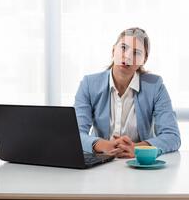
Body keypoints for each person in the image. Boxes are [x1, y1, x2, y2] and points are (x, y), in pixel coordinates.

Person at [74, 27, 181, 158]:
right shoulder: (89, 84)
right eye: (123, 48)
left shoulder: (155, 86)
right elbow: (75, 134)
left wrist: (136, 148)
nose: (128, 56)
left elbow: (172, 136)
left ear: (144, 60)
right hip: (100, 161)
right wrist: (103, 145)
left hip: (138, 163)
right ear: (113, 50)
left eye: (136, 53)